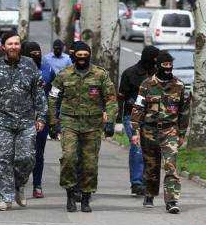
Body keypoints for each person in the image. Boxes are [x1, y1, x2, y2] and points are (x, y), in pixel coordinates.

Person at [0, 32, 47, 211]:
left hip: (26, 121)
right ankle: (5, 197)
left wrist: (42, 116)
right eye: (10, 44)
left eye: (16, 43)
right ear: (3, 47)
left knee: (27, 158)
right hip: (1, 120)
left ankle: (18, 185)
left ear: (20, 46)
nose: (13, 47)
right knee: (2, 160)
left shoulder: (29, 65)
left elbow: (39, 93)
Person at [50, 41, 117, 212]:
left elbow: (110, 98)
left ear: (89, 56)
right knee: (69, 158)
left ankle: (86, 197)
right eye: (78, 56)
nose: (81, 59)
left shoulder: (100, 74)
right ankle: (70, 194)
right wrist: (53, 122)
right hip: (69, 122)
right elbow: (52, 98)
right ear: (73, 57)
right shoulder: (64, 75)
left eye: (85, 56)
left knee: (89, 163)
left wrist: (110, 122)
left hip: (92, 125)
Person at [131, 51, 190, 214]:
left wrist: (182, 133)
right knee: (151, 165)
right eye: (164, 66)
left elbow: (184, 112)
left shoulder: (179, 86)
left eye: (170, 66)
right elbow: (138, 107)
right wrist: (135, 130)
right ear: (158, 66)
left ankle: (171, 200)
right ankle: (149, 193)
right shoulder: (147, 85)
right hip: (149, 130)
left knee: (171, 166)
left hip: (170, 130)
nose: (168, 69)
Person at [118, 46, 159, 196]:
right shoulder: (130, 73)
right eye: (155, 60)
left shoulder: (157, 74)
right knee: (138, 148)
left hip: (152, 118)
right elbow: (121, 96)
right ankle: (136, 183)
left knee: (150, 150)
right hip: (132, 117)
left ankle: (146, 180)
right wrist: (117, 118)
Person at [24, 41, 56, 199]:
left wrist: (54, 120)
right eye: (32, 53)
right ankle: (19, 184)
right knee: (21, 155)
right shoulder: (16, 68)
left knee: (38, 154)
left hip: (41, 119)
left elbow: (55, 94)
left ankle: (37, 185)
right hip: (19, 118)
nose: (36, 55)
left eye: (38, 52)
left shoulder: (48, 68)